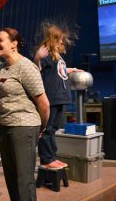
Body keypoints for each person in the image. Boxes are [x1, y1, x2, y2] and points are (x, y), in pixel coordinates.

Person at [0, 27, 50, 201]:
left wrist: (41, 126)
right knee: (11, 177)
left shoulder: (26, 67)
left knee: (24, 180)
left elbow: (44, 104)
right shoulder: (4, 67)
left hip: (24, 127)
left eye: (1, 40)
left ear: (14, 44)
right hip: (4, 126)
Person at [33, 23, 82, 169]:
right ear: (52, 39)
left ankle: (52, 156)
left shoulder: (57, 56)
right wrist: (37, 58)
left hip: (61, 97)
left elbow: (58, 70)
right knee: (47, 130)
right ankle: (46, 159)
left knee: (53, 129)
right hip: (52, 98)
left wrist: (70, 69)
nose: (62, 42)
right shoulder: (46, 54)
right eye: (59, 39)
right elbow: (35, 69)